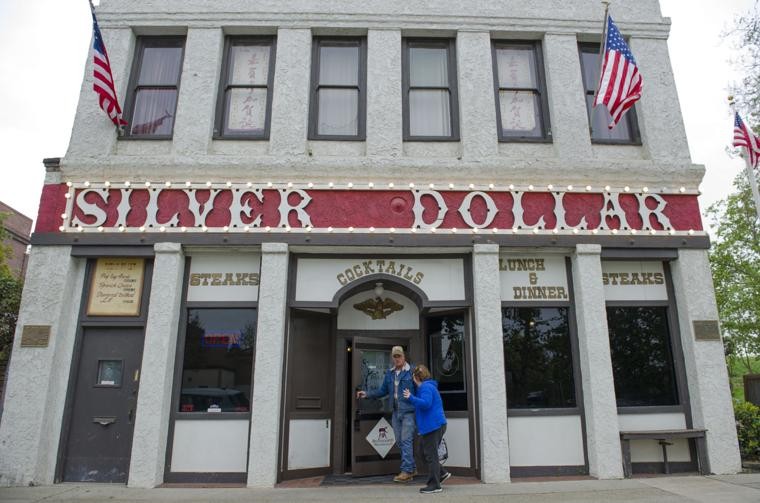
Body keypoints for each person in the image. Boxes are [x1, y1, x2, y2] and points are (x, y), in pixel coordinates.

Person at [356, 345, 417, 482]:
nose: (397, 359)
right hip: (396, 412)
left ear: (404, 357)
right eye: (394, 356)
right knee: (400, 441)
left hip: (409, 412)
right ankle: (411, 467)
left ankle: (406, 471)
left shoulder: (412, 371)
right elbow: (382, 391)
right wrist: (367, 394)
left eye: (399, 356)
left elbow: (420, 389)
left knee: (406, 440)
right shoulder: (389, 373)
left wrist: (421, 408)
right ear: (392, 358)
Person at [403, 364, 450, 494]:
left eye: (413, 377)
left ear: (417, 377)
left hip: (433, 426)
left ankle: (435, 485)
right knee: (422, 452)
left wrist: (411, 398)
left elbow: (426, 404)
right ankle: (441, 473)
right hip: (431, 426)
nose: (413, 379)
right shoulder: (426, 387)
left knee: (431, 455)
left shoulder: (426, 388)